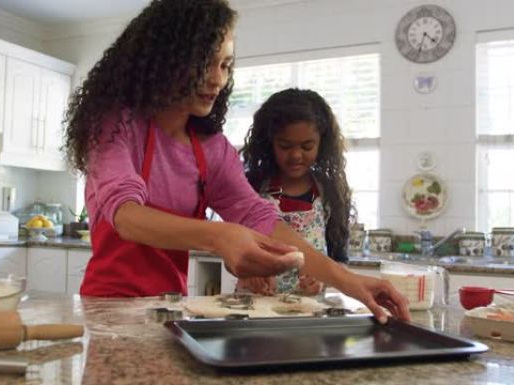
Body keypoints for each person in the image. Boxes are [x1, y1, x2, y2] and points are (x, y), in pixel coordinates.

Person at [64, 0, 410, 323]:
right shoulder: (114, 124)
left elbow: (258, 216)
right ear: (166, 57)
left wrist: (349, 281)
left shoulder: (210, 148)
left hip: (170, 307)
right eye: (205, 63)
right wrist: (221, 236)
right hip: (107, 307)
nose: (217, 79)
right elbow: (126, 216)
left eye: (225, 65)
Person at [238, 88, 351, 296]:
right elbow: (233, 247)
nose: (296, 155)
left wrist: (323, 280)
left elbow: (340, 260)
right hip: (254, 306)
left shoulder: (331, 193)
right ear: (269, 143)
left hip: (309, 311)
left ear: (322, 144)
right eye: (285, 146)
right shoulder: (251, 186)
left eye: (307, 146)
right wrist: (248, 271)